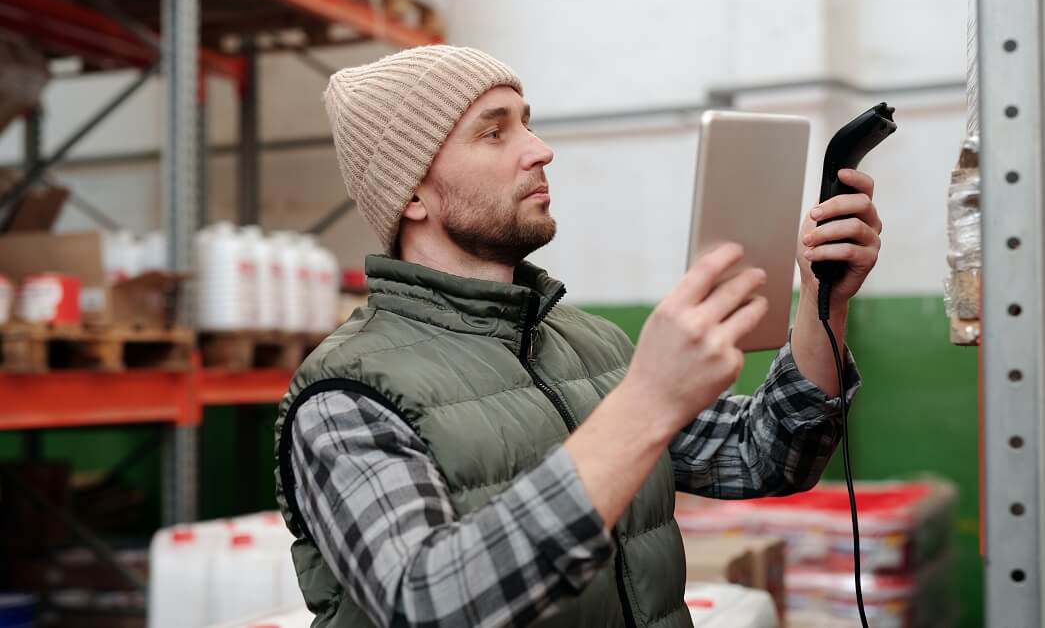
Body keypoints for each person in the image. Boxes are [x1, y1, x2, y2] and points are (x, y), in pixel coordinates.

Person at [273, 45, 881, 628]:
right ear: (410, 194)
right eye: (495, 132)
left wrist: (824, 302)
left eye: (528, 124)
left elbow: (765, 456)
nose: (540, 150)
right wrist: (647, 401)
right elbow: (437, 604)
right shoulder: (344, 396)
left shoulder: (593, 347)